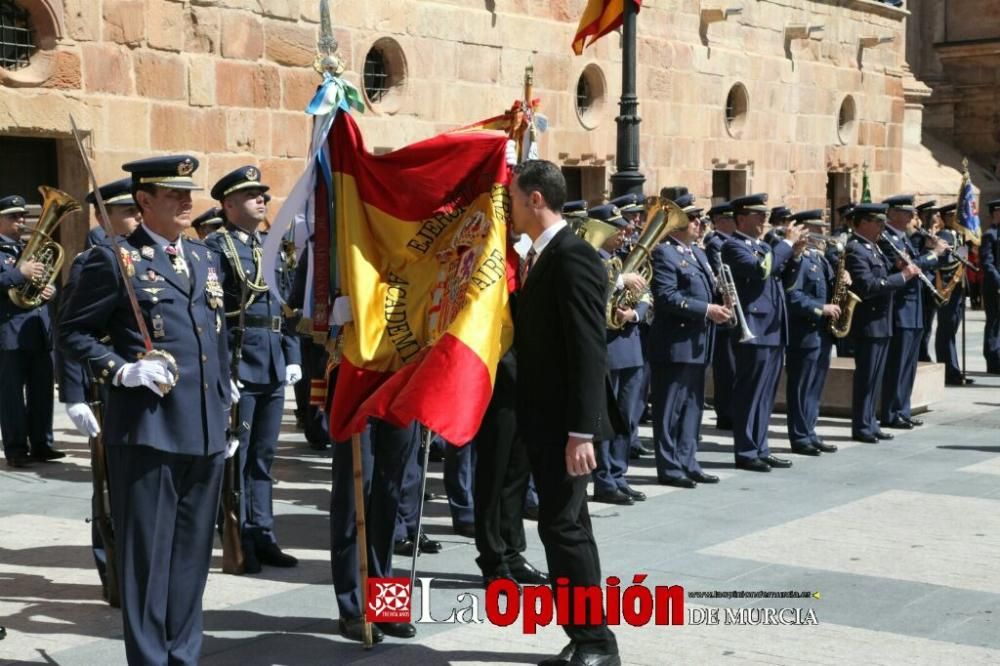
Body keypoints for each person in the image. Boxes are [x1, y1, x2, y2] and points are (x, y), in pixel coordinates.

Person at [58, 154, 234, 664]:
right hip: (149, 430)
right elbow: (72, 333)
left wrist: (228, 406)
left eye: (188, 192)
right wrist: (120, 369)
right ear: (144, 201)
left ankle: (184, 654)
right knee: (149, 560)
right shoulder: (114, 259)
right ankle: (152, 658)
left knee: (192, 558)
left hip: (204, 429)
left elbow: (217, 338)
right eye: (173, 194)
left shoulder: (204, 258)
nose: (186, 200)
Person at [511, 160, 620, 666]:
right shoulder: (540, 256)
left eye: (513, 199)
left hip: (565, 426)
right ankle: (586, 636)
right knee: (568, 524)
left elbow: (588, 349)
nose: (509, 209)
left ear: (536, 199)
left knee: (562, 527)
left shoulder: (572, 256)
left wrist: (582, 432)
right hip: (547, 420)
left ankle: (595, 641)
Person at [204, 166, 301, 573]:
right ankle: (240, 535)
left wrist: (292, 355)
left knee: (264, 457)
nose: (261, 200)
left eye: (262, 194)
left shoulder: (272, 244)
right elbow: (212, 316)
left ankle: (264, 533)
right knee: (237, 459)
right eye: (250, 196)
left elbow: (285, 307)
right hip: (241, 363)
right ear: (228, 205)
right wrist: (223, 370)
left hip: (274, 364)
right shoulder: (216, 247)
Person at [58, 178, 142, 602]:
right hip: (103, 386)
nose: (137, 216)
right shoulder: (92, 260)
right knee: (108, 484)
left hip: (138, 384)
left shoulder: (142, 256)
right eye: (128, 210)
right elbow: (71, 332)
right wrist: (72, 395)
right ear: (104, 215)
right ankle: (113, 572)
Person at [649, 197, 729, 487]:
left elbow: (708, 290)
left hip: (698, 342)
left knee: (693, 407)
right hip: (675, 344)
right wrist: (708, 310)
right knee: (669, 409)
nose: (700, 224)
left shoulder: (699, 253)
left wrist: (722, 301)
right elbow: (667, 296)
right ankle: (670, 467)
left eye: (700, 219)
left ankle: (688, 460)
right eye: (693, 219)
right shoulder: (665, 254)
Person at [721, 193, 800, 473]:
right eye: (758, 215)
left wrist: (795, 255)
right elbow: (760, 271)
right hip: (754, 327)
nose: (764, 220)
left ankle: (761, 447)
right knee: (749, 392)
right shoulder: (733, 246)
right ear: (741, 218)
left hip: (773, 328)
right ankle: (745, 450)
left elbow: (785, 282)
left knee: (766, 394)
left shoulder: (763, 246)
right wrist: (786, 244)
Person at [844, 203, 921, 443]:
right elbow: (869, 286)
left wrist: (896, 267)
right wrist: (903, 276)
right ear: (863, 222)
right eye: (877, 222)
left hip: (882, 321)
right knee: (866, 378)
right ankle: (861, 426)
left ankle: (871, 422)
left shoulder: (873, 248)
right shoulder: (856, 249)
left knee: (875, 378)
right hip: (869, 323)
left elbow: (882, 276)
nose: (881, 226)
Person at [589, 204, 647, 506]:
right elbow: (592, 297)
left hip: (629, 343)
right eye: (617, 228)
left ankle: (619, 475)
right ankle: (604, 478)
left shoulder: (622, 260)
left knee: (627, 417)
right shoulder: (592, 259)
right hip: (608, 347)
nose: (623, 232)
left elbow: (647, 295)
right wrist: (621, 282)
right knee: (607, 418)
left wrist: (634, 313)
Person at [0, 193, 62, 468]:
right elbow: (12, 281)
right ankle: (15, 449)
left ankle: (42, 444)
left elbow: (45, 280)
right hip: (9, 334)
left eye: (22, 215)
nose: (21, 220)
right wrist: (19, 274)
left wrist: (50, 290)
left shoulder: (29, 249)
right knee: (11, 394)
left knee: (42, 391)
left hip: (38, 331)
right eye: (13, 216)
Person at [878, 195, 946, 429]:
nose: (912, 217)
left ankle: (902, 409)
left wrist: (929, 251)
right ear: (893, 213)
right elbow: (911, 267)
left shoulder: (903, 239)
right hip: (900, 310)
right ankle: (890, 412)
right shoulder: (887, 238)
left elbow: (918, 265)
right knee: (897, 364)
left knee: (909, 365)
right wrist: (933, 254)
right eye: (907, 213)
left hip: (914, 309)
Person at [783, 210, 841, 455]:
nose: (822, 234)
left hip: (822, 333)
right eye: (816, 229)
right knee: (801, 386)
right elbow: (792, 296)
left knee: (815, 386)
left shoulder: (820, 258)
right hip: (804, 332)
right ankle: (799, 436)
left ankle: (810, 431)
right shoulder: (799, 259)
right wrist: (821, 308)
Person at [703, 201, 737, 430]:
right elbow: (721, 277)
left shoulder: (730, 243)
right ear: (722, 221)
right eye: (732, 219)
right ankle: (725, 413)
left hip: (731, 313)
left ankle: (731, 411)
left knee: (733, 366)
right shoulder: (716, 243)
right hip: (722, 313)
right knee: (726, 368)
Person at [934, 203, 973, 386]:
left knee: (952, 330)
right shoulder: (944, 235)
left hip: (958, 289)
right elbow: (944, 262)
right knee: (946, 330)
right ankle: (949, 370)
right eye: (951, 216)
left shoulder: (958, 235)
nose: (955, 219)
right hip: (948, 288)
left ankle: (954, 369)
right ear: (944, 217)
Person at [914, 201, 940, 362]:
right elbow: (917, 259)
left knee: (929, 323)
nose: (937, 216)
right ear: (925, 216)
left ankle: (924, 351)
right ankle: (921, 353)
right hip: (922, 285)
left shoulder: (931, 234)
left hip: (932, 284)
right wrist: (930, 249)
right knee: (922, 322)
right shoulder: (918, 237)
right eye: (934, 213)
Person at [982, 199, 1000, 374]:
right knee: (994, 323)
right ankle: (993, 360)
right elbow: (987, 263)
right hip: (994, 287)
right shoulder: (990, 234)